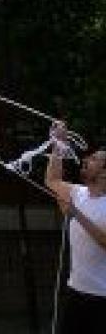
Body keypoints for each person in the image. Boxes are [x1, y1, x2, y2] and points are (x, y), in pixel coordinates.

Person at [45, 121, 106, 332]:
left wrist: (76, 214)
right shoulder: (78, 193)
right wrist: (58, 145)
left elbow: (104, 241)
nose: (87, 160)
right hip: (76, 292)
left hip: (101, 298)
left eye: (95, 159)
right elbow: (52, 180)